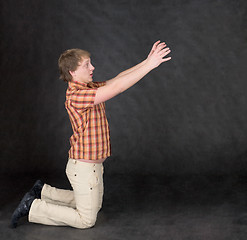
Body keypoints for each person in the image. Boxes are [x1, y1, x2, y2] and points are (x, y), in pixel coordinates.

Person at [11, 40, 171, 229]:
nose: (92, 67)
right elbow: (117, 88)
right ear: (73, 72)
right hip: (83, 168)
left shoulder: (89, 87)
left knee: (94, 206)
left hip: (91, 168)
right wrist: (150, 66)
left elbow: (118, 78)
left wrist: (147, 61)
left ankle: (44, 191)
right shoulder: (76, 96)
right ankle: (33, 206)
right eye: (87, 64)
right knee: (86, 220)